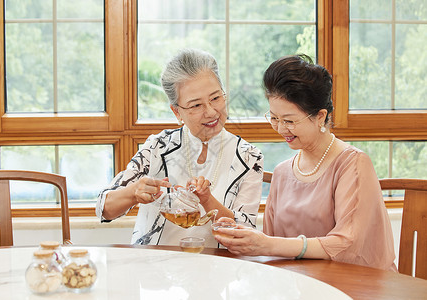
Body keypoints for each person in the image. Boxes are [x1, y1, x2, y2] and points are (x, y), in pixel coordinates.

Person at [214, 54, 396, 271]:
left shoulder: (353, 164)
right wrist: (242, 234)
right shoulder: (282, 172)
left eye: (289, 121)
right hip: (299, 285)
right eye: (274, 118)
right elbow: (273, 244)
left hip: (354, 285)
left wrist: (268, 244)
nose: (281, 129)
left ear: (320, 116)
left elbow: (347, 243)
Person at [96, 48, 264, 247]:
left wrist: (207, 200)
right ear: (177, 112)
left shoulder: (249, 157)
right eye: (196, 106)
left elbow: (245, 233)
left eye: (216, 98)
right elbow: (104, 209)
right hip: (154, 266)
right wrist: (134, 193)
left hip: (216, 267)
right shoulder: (157, 147)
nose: (211, 112)